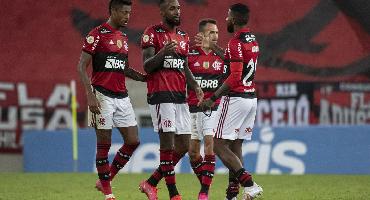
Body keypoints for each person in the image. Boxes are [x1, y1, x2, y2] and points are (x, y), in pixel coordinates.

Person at [77, 1, 146, 200]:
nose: (128, 17)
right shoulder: (96, 34)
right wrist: (90, 94)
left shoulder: (123, 37)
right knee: (104, 144)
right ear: (113, 11)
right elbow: (81, 66)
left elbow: (122, 67)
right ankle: (108, 194)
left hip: (122, 96)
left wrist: (142, 77)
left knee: (133, 141)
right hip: (101, 95)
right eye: (124, 13)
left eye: (130, 13)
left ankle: (106, 179)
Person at [138, 0, 203, 200]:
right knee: (167, 146)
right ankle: (174, 195)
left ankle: (150, 183)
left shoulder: (183, 36)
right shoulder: (152, 33)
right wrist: (162, 52)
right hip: (161, 95)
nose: (177, 12)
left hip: (179, 97)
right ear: (162, 10)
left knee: (184, 145)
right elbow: (147, 66)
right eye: (172, 8)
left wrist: (196, 86)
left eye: (179, 8)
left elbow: (184, 67)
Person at [199, 3, 263, 200]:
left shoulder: (235, 43)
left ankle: (250, 185)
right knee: (235, 147)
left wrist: (213, 98)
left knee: (218, 145)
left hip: (235, 98)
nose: (225, 19)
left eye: (227, 16)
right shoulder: (252, 40)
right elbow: (231, 60)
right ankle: (232, 195)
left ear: (233, 19)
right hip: (250, 98)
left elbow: (234, 76)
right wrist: (213, 47)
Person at [187, 18, 224, 200]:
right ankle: (205, 183)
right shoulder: (190, 54)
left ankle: (204, 194)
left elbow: (233, 63)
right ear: (201, 35)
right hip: (192, 108)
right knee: (193, 154)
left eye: (217, 32)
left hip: (213, 108)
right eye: (211, 32)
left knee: (210, 145)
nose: (215, 36)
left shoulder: (222, 56)